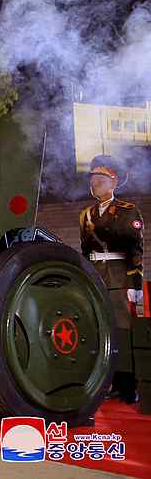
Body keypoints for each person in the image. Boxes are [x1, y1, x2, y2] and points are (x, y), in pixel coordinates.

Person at [79, 155, 146, 403]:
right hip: (97, 276)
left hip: (119, 277)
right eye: (92, 179)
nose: (93, 183)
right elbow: (85, 252)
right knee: (101, 329)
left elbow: (135, 249)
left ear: (113, 182)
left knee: (122, 330)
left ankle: (128, 385)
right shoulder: (85, 215)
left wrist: (134, 284)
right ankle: (107, 381)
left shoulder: (128, 211)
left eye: (99, 179)